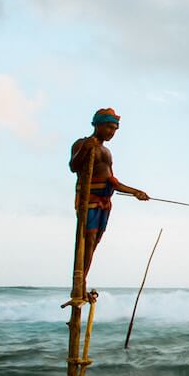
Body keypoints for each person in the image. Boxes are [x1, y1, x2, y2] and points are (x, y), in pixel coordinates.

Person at [68, 108, 149, 278]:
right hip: (89, 198)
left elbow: (112, 181)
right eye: (109, 127)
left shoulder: (107, 152)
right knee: (87, 238)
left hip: (105, 200)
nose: (112, 132)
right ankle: (79, 280)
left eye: (115, 129)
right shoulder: (82, 143)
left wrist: (136, 192)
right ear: (98, 125)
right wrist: (84, 150)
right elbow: (73, 166)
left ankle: (84, 277)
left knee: (95, 240)